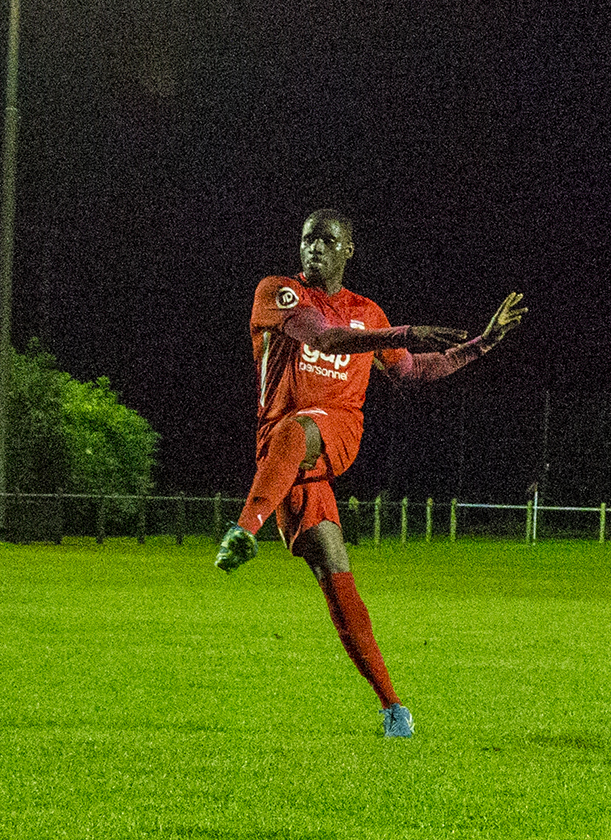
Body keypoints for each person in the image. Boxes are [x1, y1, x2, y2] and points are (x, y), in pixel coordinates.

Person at [215, 209, 527, 738]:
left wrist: (483, 343)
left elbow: (414, 371)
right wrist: (405, 330)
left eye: (327, 240)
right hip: (283, 462)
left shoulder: (367, 312)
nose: (314, 247)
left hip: (335, 434)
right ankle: (393, 709)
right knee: (336, 577)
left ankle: (244, 531)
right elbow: (323, 337)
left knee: (301, 427)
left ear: (348, 250)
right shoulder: (279, 292)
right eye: (308, 238)